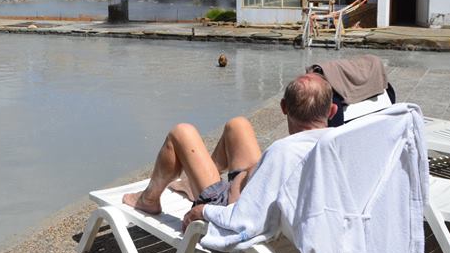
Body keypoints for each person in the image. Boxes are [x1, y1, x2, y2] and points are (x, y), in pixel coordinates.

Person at [122, 73, 337, 230]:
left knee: (182, 132)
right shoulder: (336, 147)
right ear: (332, 110)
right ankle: (194, 181)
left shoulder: (282, 152)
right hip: (251, 188)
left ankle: (148, 199)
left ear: (283, 108)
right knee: (238, 125)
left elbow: (242, 217)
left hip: (227, 206)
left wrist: (202, 211)